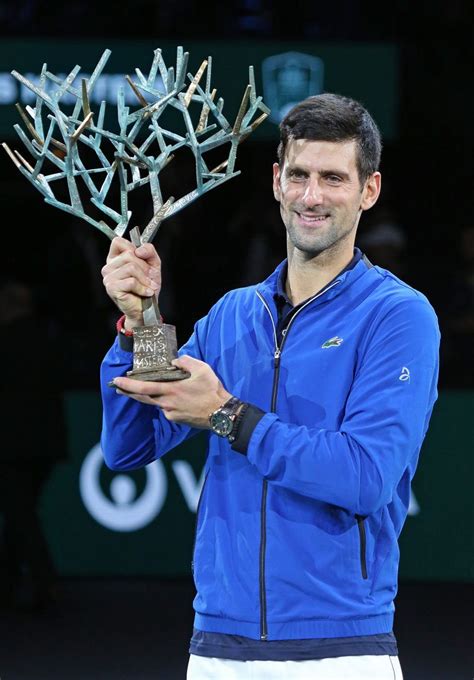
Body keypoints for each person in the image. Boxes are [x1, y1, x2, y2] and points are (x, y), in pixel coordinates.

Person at [99, 94, 440, 679]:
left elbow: (364, 478)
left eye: (334, 178)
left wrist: (227, 415)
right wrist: (141, 324)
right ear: (277, 181)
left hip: (340, 650)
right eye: (300, 176)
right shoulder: (233, 314)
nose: (312, 196)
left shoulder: (398, 317)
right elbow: (131, 445)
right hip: (216, 648)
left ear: (369, 190)